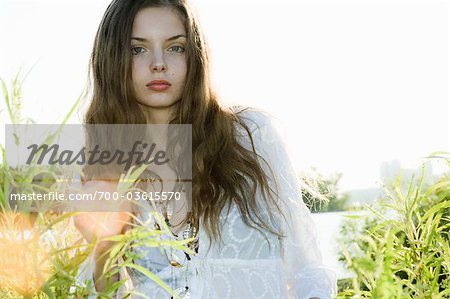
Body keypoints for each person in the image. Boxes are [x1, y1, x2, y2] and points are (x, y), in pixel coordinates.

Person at [74, 0, 337, 298]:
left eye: (175, 47)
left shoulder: (250, 137)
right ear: (112, 60)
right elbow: (106, 292)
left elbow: (308, 270)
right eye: (138, 49)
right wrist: (104, 247)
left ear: (196, 56)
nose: (158, 63)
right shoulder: (102, 172)